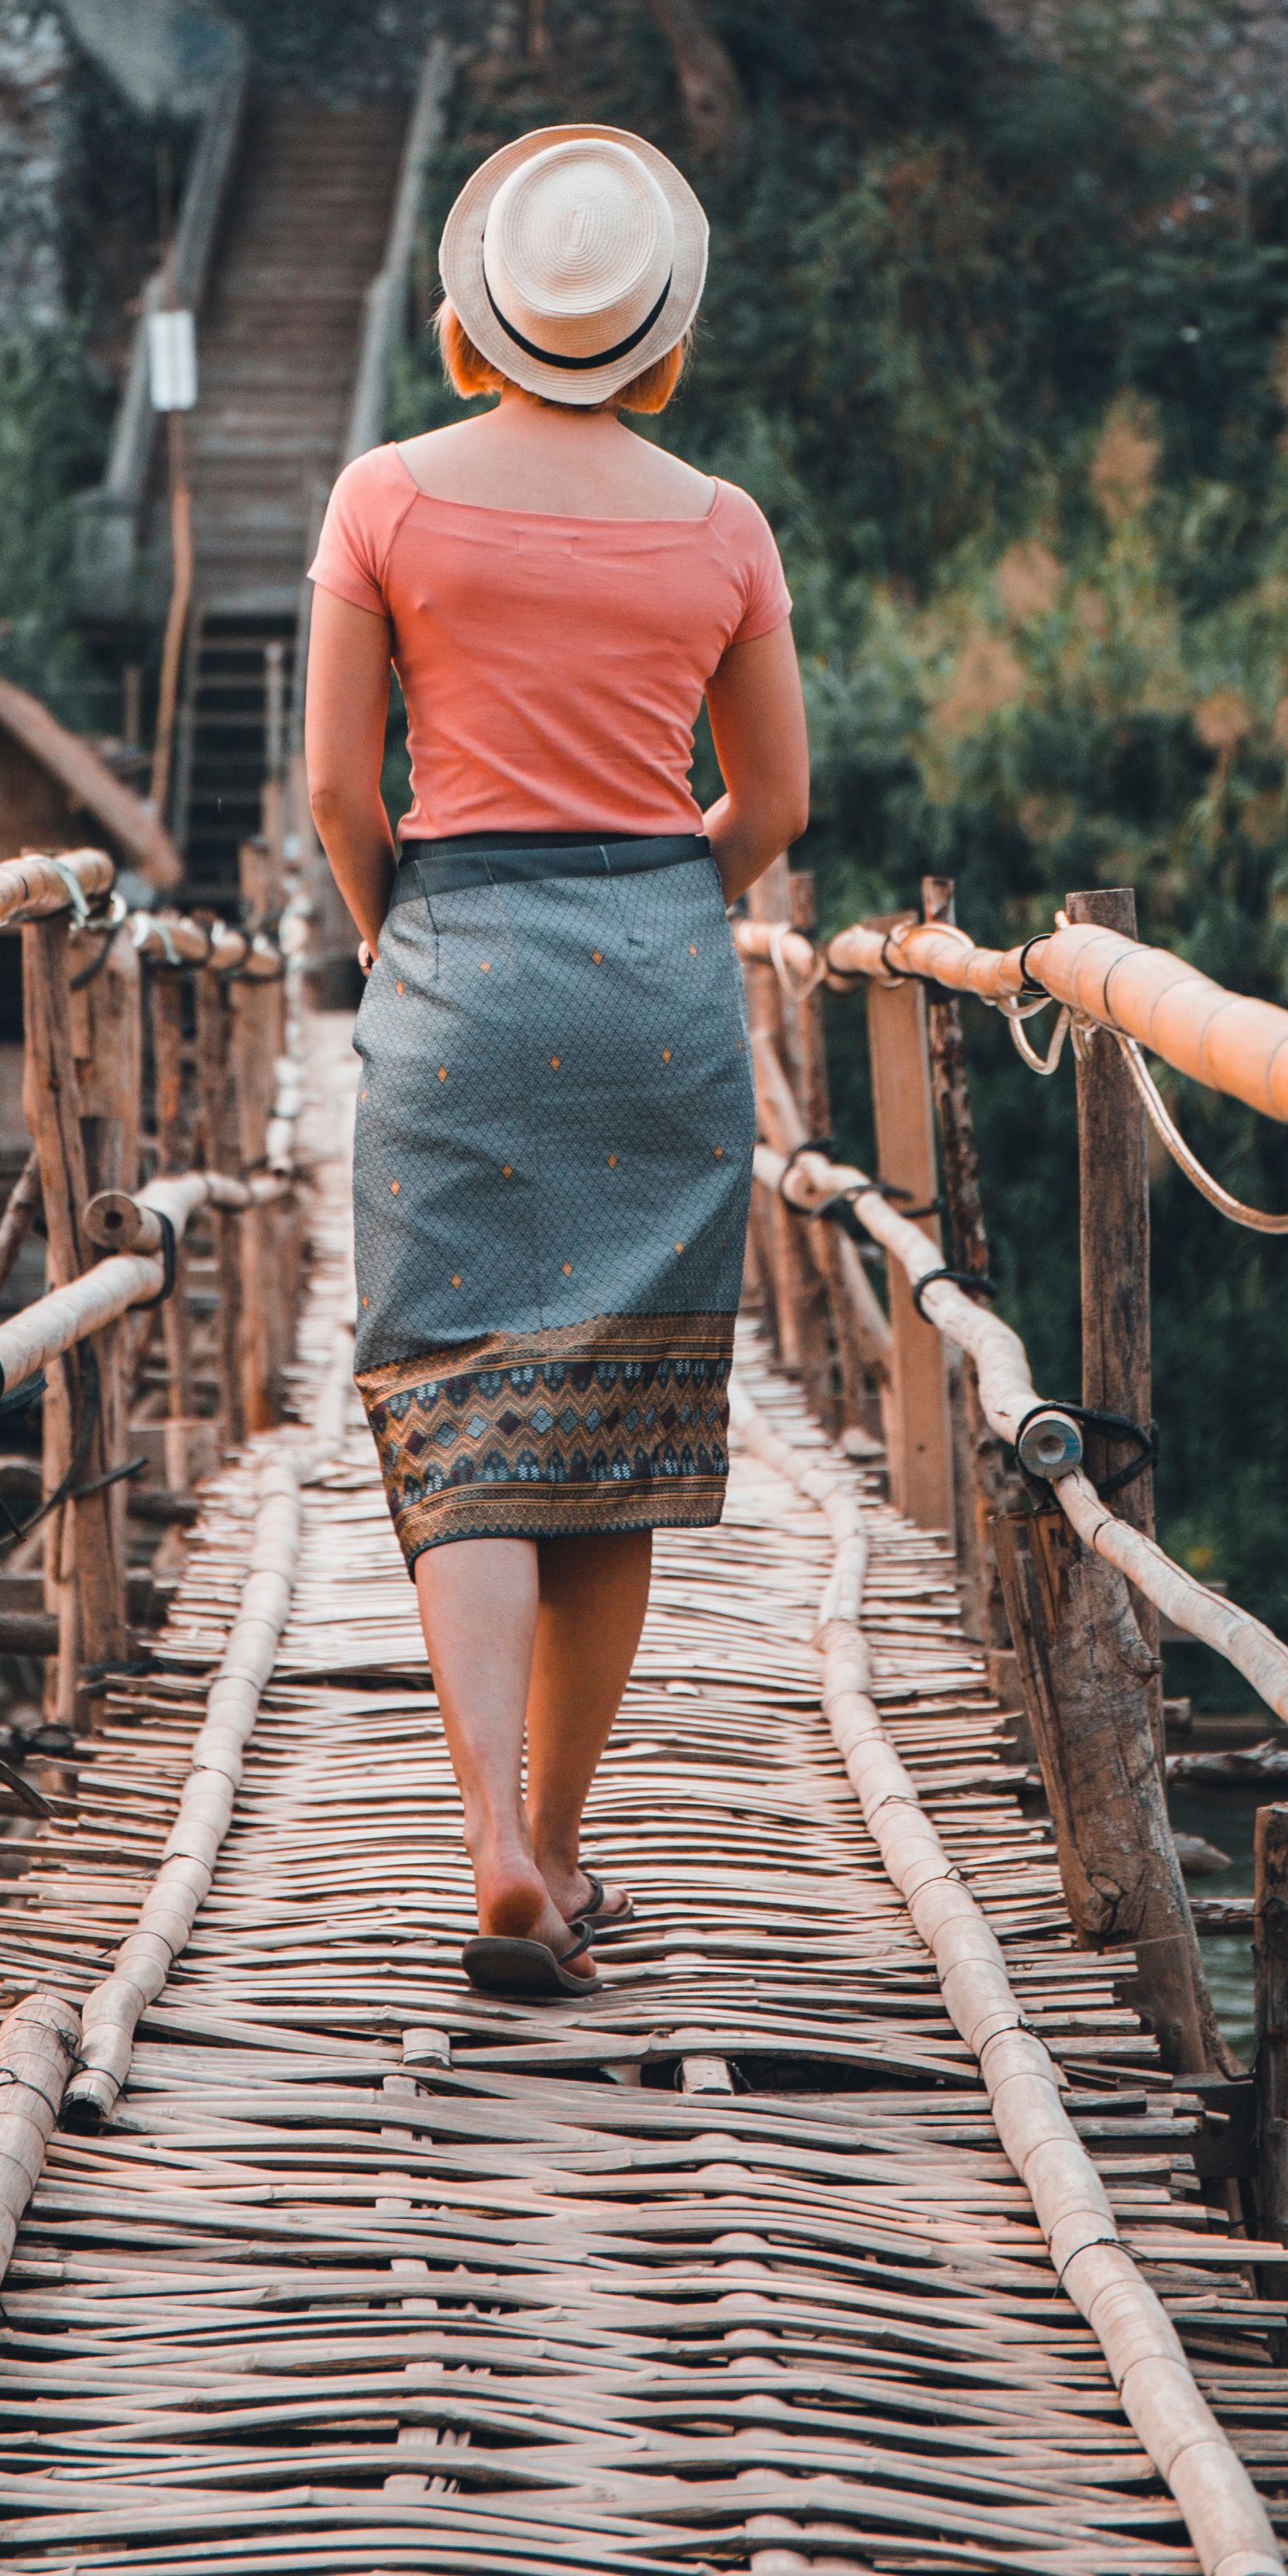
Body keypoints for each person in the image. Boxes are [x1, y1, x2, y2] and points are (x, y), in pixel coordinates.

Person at [303, 122, 811, 1996]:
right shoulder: (722, 527)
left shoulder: (384, 501)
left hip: (459, 970)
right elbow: (773, 801)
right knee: (614, 1425)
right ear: (661, 341)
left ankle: (490, 1844)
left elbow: (339, 788)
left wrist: (393, 928)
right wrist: (675, 907)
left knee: (464, 1417)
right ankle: (573, 1842)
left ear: (468, 322)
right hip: (658, 989)